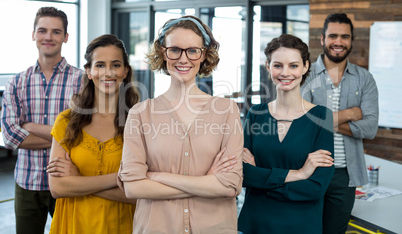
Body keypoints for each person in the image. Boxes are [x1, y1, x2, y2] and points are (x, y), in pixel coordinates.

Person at [118, 15, 243, 233]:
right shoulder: (140, 113)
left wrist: (157, 177)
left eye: (193, 50)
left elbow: (229, 186)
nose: (183, 59)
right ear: (162, 52)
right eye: (175, 49)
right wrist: (206, 183)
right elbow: (133, 186)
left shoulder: (227, 111)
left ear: (204, 55)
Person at [238, 34, 335, 233]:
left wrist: (263, 180)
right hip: (257, 223)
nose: (285, 73)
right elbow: (243, 175)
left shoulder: (321, 117)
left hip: (300, 224)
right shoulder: (256, 114)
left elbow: (316, 187)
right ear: (268, 67)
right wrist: (300, 174)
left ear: (305, 67)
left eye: (293, 65)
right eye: (278, 65)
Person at [46, 34, 139, 233]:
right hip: (74, 226)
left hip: (121, 226)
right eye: (99, 65)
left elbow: (140, 194)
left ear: (125, 71)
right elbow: (58, 188)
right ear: (88, 71)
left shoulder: (140, 122)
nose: (108, 72)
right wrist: (120, 178)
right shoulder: (66, 121)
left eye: (115, 65)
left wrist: (78, 180)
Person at [1, 7, 82, 234]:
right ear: (33, 34)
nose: (49, 37)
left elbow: (85, 132)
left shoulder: (82, 81)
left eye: (56, 32)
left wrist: (31, 127)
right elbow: (9, 136)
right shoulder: (16, 83)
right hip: (27, 180)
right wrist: (62, 137)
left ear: (65, 37)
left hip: (69, 180)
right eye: (43, 31)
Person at [301, 13, 379, 234]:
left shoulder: (364, 79)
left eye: (345, 36)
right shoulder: (304, 74)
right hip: (308, 168)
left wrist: (320, 119)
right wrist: (350, 113)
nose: (338, 42)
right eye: (333, 35)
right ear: (322, 39)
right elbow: (300, 122)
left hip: (345, 174)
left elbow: (371, 128)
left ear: (351, 40)